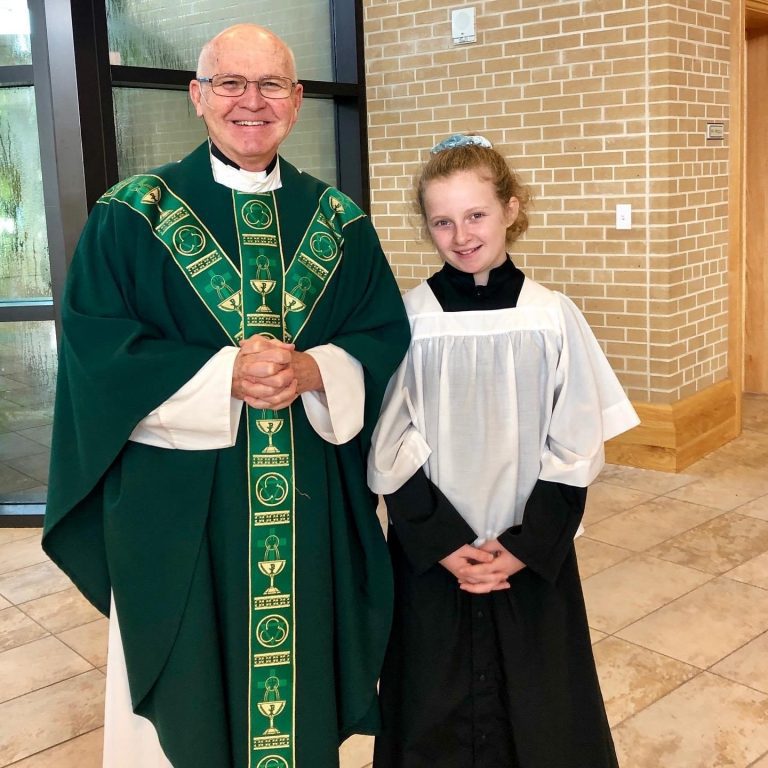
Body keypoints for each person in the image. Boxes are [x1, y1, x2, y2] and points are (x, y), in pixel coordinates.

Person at [42, 23, 410, 768]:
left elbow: (383, 338)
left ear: (298, 100)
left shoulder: (340, 225)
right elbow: (98, 353)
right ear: (197, 96)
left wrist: (315, 371)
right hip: (179, 516)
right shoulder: (131, 216)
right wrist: (224, 377)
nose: (252, 102)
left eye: (271, 84)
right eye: (230, 84)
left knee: (296, 697)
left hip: (304, 513)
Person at [367, 133, 640, 768]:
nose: (461, 235)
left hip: (527, 554)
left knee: (542, 712)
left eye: (476, 214)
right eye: (442, 221)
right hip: (436, 556)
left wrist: (522, 547)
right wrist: (442, 540)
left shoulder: (552, 317)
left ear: (511, 209)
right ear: (427, 227)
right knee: (428, 705)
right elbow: (389, 444)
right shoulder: (408, 319)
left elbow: (573, 444)